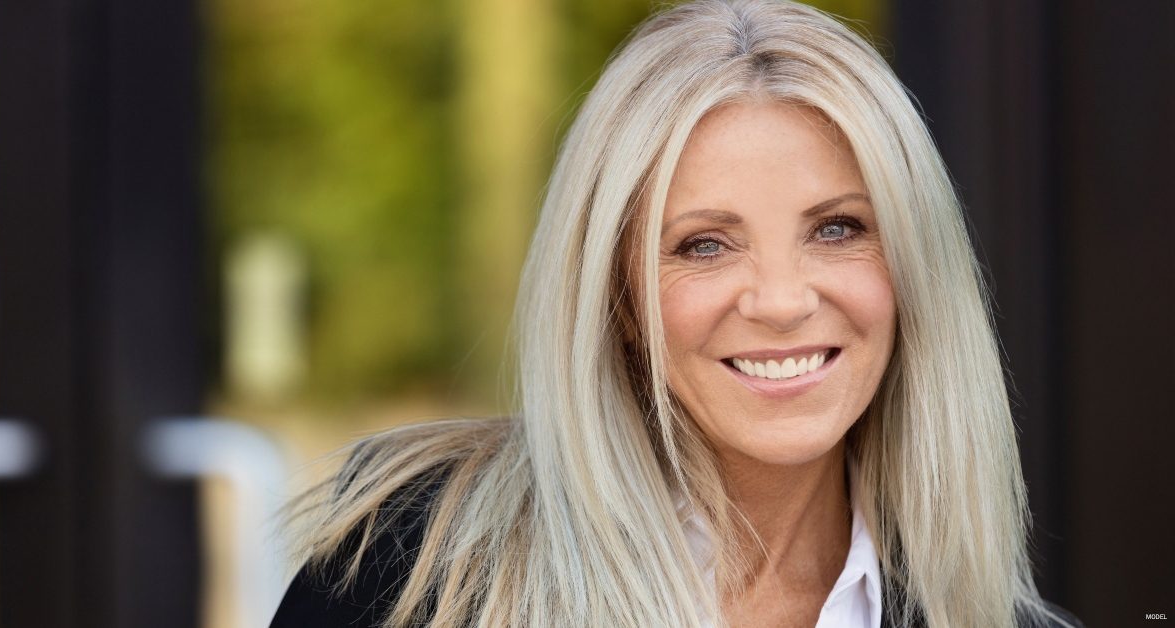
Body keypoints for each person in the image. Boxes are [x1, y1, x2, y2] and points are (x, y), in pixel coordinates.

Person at [270, 1, 1081, 626]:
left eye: (838, 229)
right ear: (616, 296)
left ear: (915, 271)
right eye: (704, 246)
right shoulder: (408, 576)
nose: (783, 300)